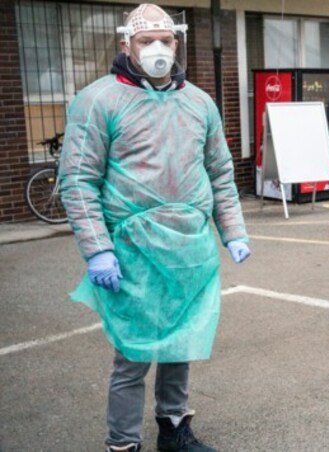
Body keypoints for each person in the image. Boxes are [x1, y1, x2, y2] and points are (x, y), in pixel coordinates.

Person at [58, 4, 250, 451]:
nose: (158, 49)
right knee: (133, 353)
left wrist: (233, 230)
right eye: (147, 42)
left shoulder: (198, 102)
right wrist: (97, 248)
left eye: (166, 40)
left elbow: (220, 172)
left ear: (177, 42)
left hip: (190, 248)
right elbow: (78, 179)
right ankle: (123, 443)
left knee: (182, 343)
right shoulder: (98, 100)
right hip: (132, 249)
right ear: (126, 44)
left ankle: (175, 429)